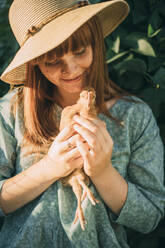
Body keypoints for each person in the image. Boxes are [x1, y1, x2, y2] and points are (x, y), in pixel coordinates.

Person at [0, 0, 164, 247]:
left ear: (95, 42)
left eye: (80, 51)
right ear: (34, 62)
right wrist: (50, 167)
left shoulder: (133, 116)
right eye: (53, 61)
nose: (72, 68)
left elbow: (149, 217)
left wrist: (103, 172)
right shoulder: (11, 111)